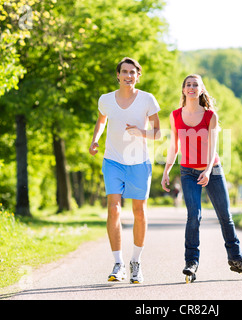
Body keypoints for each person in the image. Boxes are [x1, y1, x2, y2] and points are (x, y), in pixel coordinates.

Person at [161, 74, 242, 279]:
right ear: (184, 90)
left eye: (196, 85)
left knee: (225, 216)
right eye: (188, 85)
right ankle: (191, 262)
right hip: (187, 171)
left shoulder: (210, 115)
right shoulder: (175, 115)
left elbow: (213, 147)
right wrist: (167, 169)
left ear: (202, 89)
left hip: (212, 169)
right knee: (193, 216)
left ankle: (236, 258)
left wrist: (206, 169)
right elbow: (173, 145)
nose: (192, 88)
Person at [89, 57, 161, 284]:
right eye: (125, 72)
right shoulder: (106, 100)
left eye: (133, 72)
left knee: (139, 212)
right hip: (113, 161)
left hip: (139, 162)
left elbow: (158, 133)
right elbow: (101, 121)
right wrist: (95, 140)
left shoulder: (147, 99)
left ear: (138, 76)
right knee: (114, 209)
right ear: (118, 75)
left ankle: (136, 262)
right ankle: (118, 263)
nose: (129, 76)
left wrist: (141, 131)